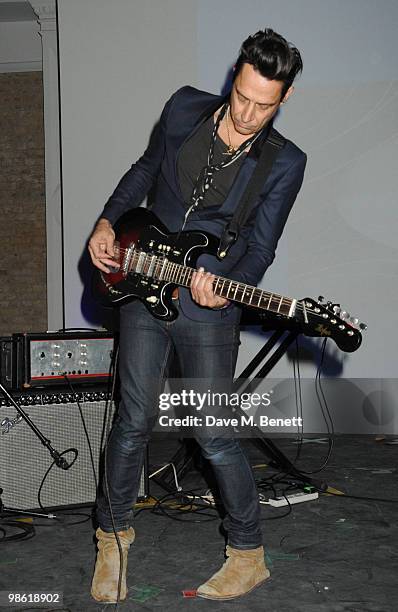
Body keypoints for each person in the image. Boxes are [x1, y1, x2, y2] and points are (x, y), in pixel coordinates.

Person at [88, 28, 306, 603]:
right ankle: (111, 540)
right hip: (141, 281)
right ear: (234, 76)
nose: (248, 113)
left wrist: (229, 288)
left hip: (206, 303)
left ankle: (248, 553)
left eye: (265, 105)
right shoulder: (185, 106)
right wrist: (108, 221)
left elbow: (260, 248)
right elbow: (144, 171)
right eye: (242, 96)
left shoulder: (284, 163)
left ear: (283, 100)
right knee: (132, 420)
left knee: (213, 434)